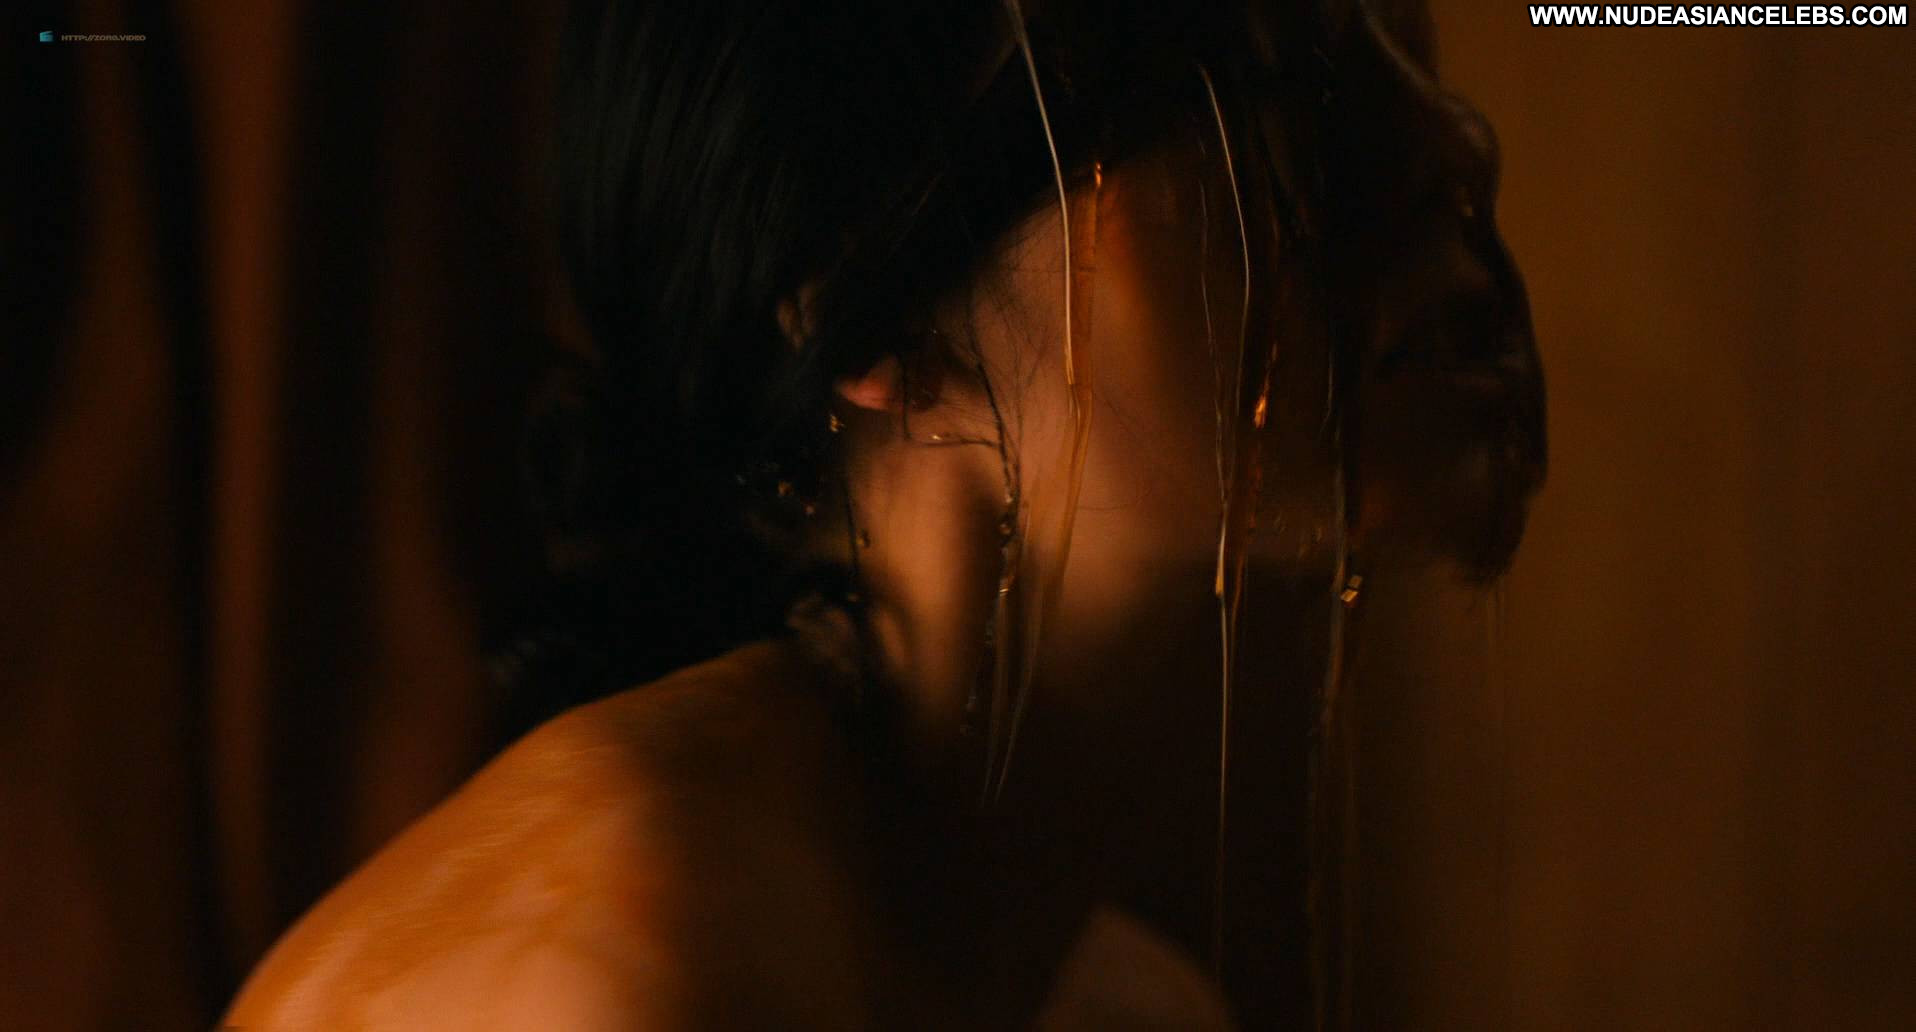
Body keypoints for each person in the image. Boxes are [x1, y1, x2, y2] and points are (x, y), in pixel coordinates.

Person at [224, 0, 1543, 1026]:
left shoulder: (1120, 1005)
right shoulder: (608, 977)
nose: (1451, 150)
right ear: (863, 287)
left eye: (1403, 62)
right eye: (1258, 87)